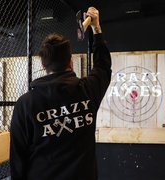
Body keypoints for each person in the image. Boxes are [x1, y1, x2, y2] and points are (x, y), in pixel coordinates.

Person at [9, 7, 111, 180]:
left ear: (42, 64)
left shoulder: (25, 104)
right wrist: (96, 28)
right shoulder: (87, 90)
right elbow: (102, 66)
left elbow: (18, 160)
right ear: (70, 62)